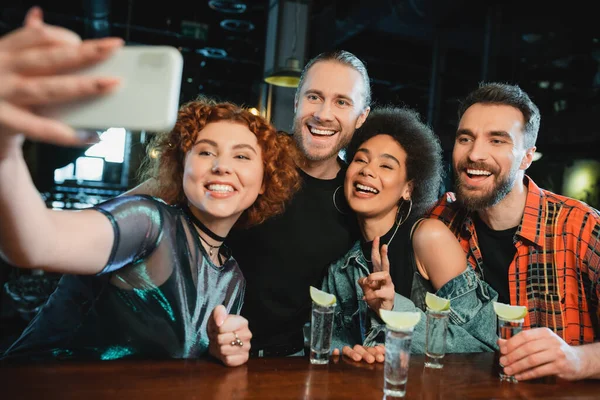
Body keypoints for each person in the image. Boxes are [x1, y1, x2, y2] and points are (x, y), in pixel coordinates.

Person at [0, 9, 301, 365]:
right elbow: (37, 243)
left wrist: (219, 351)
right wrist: (5, 146)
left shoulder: (233, 279)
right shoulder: (148, 222)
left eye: (242, 157)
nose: (222, 166)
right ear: (181, 167)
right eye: (206, 151)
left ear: (264, 181)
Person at [428, 82, 600, 380]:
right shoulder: (441, 221)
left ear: (527, 157)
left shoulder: (580, 226)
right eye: (465, 138)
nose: (475, 154)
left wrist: (578, 360)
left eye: (497, 141)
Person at [213, 50, 372, 357]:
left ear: (361, 116)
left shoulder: (357, 196)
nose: (324, 114)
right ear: (297, 101)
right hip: (205, 343)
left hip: (289, 363)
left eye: (342, 102)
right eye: (314, 97)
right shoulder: (254, 157)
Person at [321, 107, 498, 363]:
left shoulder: (429, 238)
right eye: (360, 159)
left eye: (385, 165)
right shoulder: (341, 269)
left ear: (408, 189)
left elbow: (484, 346)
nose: (367, 171)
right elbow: (332, 347)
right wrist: (351, 354)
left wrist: (394, 310)